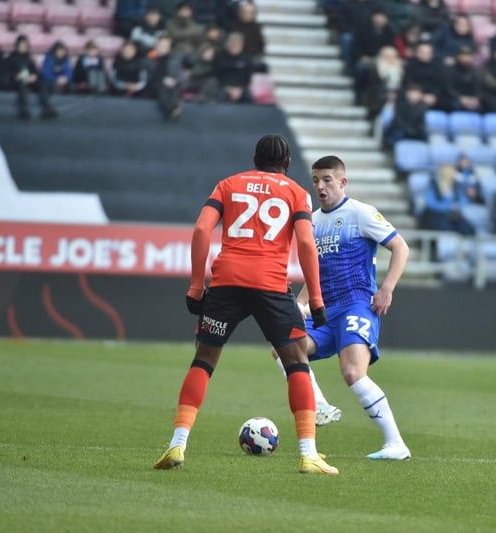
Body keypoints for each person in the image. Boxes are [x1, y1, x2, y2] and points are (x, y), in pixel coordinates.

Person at [153, 134, 339, 476]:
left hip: (226, 283)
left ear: (255, 158)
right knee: (297, 362)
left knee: (204, 360)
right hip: (271, 285)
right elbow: (306, 245)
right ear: (286, 163)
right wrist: (315, 298)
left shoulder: (228, 184)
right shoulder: (296, 192)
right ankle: (309, 454)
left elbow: (200, 231)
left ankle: (177, 443)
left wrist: (196, 285)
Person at [272, 155, 412, 460]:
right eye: (315, 180)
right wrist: (301, 303)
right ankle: (319, 404)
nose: (320, 187)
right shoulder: (312, 221)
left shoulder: (360, 213)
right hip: (325, 310)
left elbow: (400, 247)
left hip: (356, 305)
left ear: (342, 182)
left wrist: (387, 288)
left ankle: (396, 444)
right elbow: (318, 270)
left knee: (352, 372)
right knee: (283, 344)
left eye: (327, 180)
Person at [420, 162, 476, 235]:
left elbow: (463, 200)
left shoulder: (456, 185)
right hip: (436, 215)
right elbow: (430, 204)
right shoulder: (433, 185)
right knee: (445, 228)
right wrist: (448, 207)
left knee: (468, 228)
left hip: (452, 216)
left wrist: (457, 206)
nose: (453, 173)